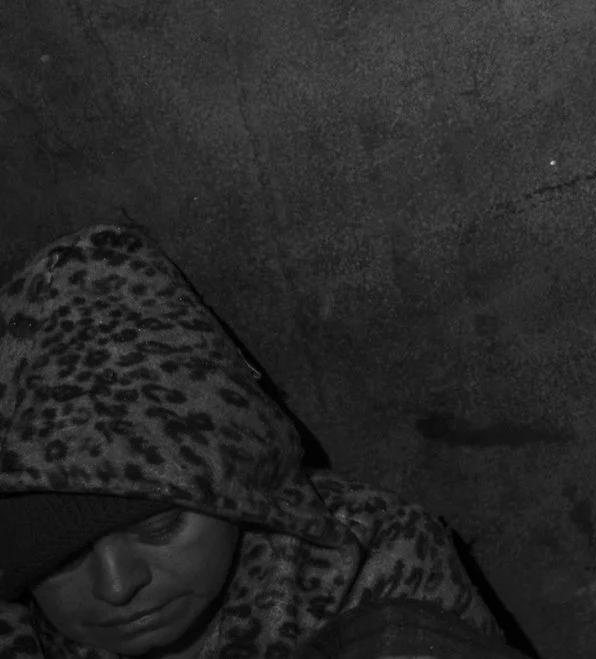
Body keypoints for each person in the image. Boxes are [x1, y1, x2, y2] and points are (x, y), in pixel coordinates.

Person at [0, 225, 512, 659]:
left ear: (239, 488)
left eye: (159, 526)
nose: (116, 586)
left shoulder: (376, 561)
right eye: (56, 559)